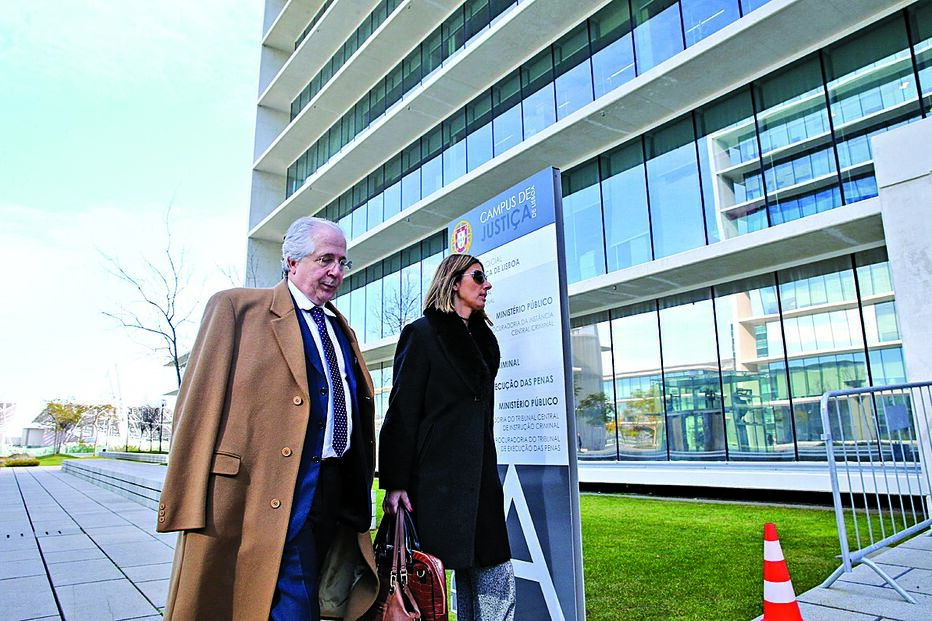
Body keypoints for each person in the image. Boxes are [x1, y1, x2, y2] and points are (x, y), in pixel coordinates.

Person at [156, 216, 378, 621]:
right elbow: (197, 406)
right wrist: (183, 499)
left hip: (331, 492)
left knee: (298, 599)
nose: (336, 271)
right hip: (260, 490)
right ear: (292, 262)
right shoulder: (237, 309)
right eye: (325, 259)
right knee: (295, 604)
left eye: (342, 263)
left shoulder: (341, 329)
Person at [379, 253, 516, 621]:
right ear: (454, 282)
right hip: (435, 483)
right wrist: (395, 483)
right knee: (430, 586)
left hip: (481, 481)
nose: (487, 285)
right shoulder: (421, 335)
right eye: (479, 277)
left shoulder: (485, 341)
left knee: (494, 578)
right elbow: (402, 413)